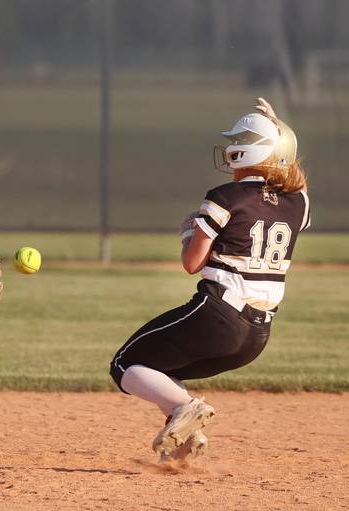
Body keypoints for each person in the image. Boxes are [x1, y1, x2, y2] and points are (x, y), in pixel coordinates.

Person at [109, 98, 310, 463]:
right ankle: (184, 443)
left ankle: (185, 409)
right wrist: (279, 129)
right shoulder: (298, 203)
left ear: (243, 152)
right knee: (159, 370)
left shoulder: (223, 197)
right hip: (257, 336)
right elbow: (289, 179)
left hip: (217, 313)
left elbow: (192, 263)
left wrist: (189, 232)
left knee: (125, 365)